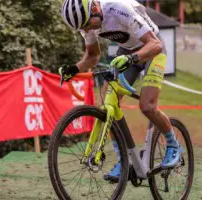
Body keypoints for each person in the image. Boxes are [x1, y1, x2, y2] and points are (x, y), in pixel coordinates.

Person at [58, 0, 182, 182]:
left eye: (87, 24)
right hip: (128, 52)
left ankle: (173, 145)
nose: (87, 29)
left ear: (94, 7)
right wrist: (74, 69)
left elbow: (155, 44)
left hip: (152, 49)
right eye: (83, 28)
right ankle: (124, 161)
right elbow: (92, 56)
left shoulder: (119, 8)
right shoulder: (86, 21)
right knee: (108, 105)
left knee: (147, 106)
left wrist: (132, 59)